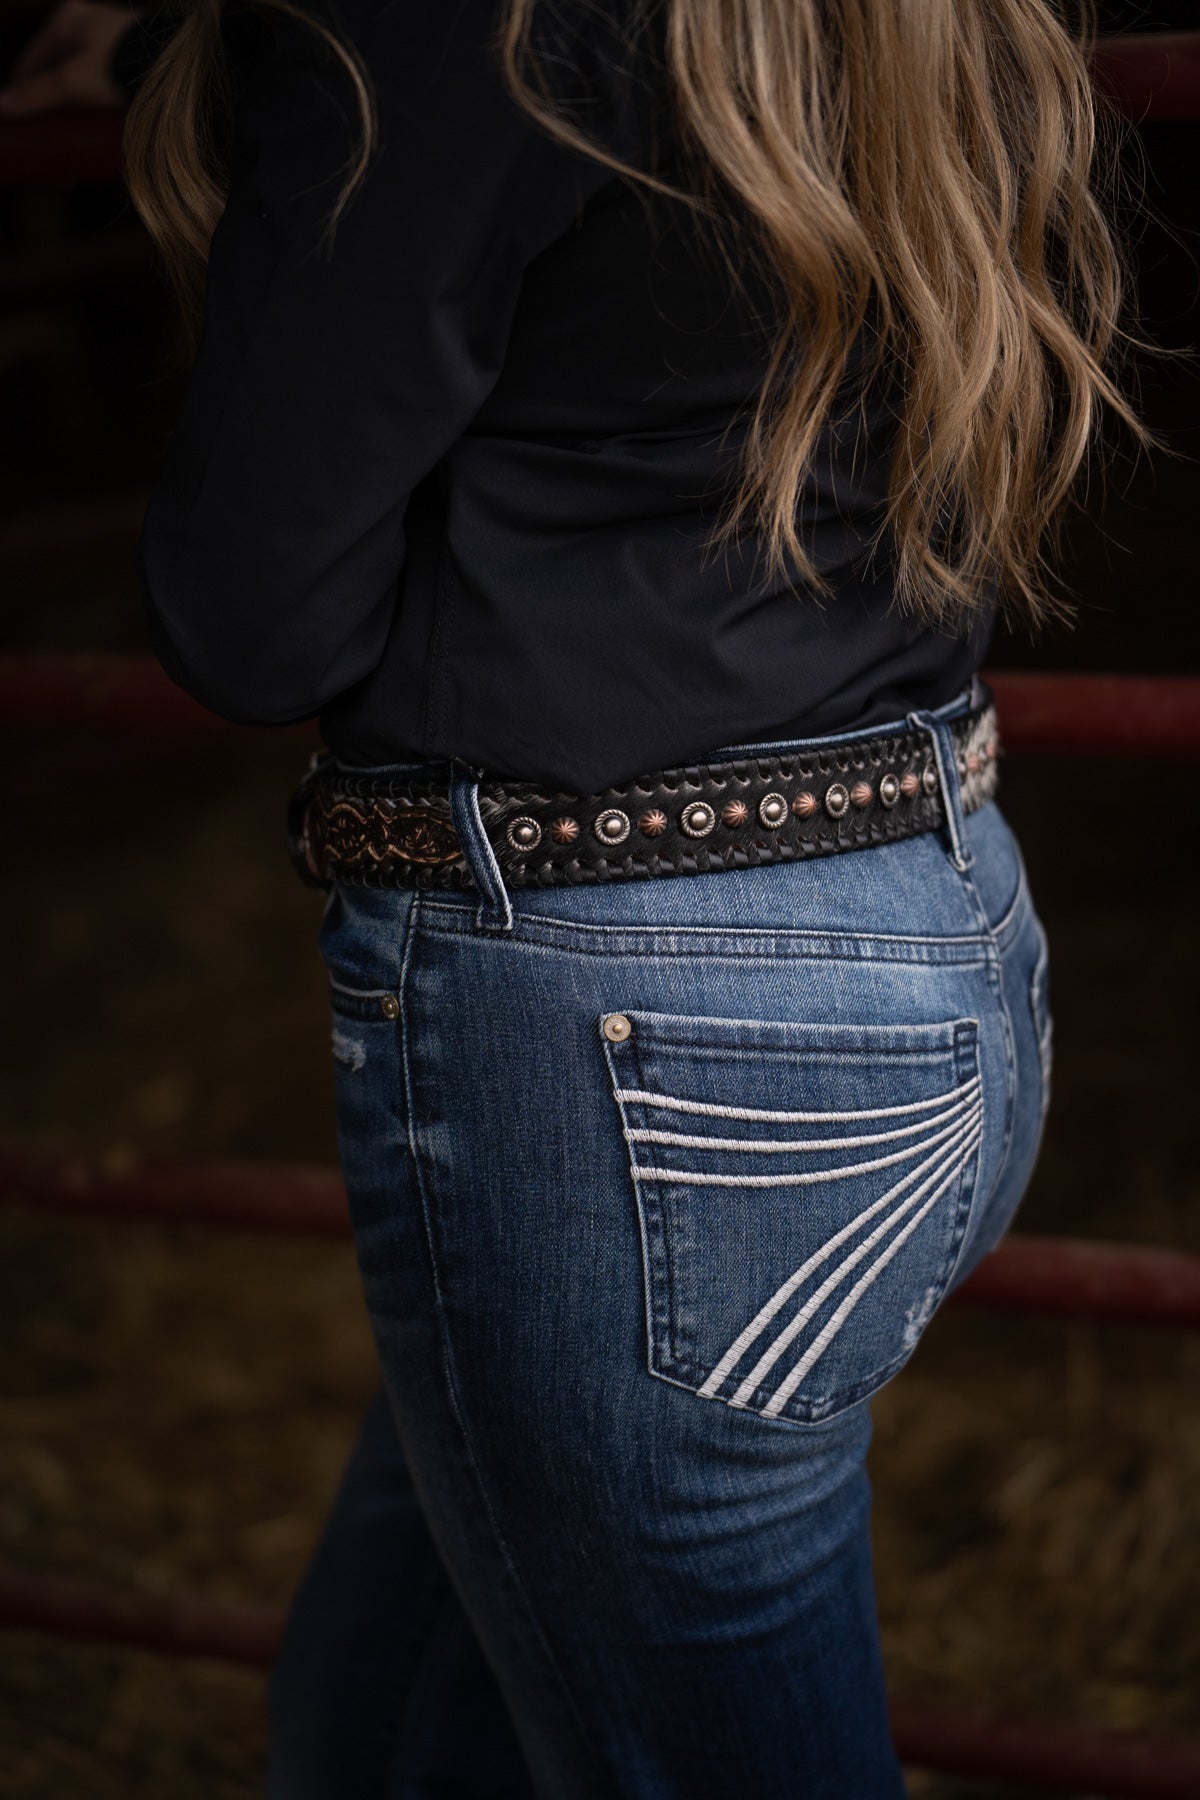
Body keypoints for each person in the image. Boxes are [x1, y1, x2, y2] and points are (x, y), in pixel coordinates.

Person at [3, 1, 1151, 1793]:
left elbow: (253, 612)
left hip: (641, 1061)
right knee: (373, 1726)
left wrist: (256, 81)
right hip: (933, 931)